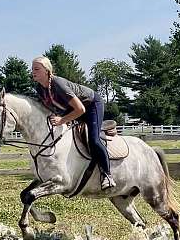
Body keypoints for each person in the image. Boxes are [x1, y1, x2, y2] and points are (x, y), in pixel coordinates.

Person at [31, 56, 116, 190]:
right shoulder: (39, 88)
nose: (33, 71)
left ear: (47, 71)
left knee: (93, 140)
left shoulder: (58, 84)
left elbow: (80, 109)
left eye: (36, 69)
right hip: (73, 109)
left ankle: (107, 175)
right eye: (32, 69)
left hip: (90, 105)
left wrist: (62, 120)